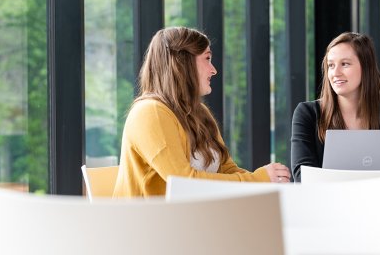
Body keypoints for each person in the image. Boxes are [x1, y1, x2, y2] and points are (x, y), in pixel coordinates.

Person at [113, 27, 290, 197]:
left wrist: (267, 181)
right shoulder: (150, 112)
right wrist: (256, 180)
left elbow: (226, 169)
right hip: (148, 224)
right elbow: (182, 182)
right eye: (207, 59)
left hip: (191, 218)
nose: (214, 70)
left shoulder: (199, 112)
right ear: (183, 63)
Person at [291, 32, 380, 181]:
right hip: (326, 204)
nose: (335, 73)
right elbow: (303, 177)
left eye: (345, 64)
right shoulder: (308, 114)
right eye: (331, 65)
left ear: (366, 68)